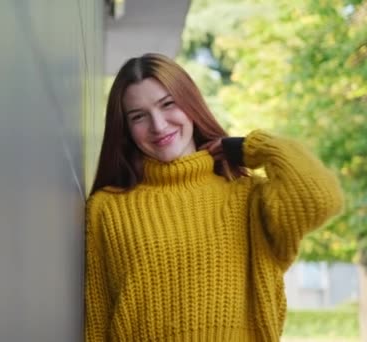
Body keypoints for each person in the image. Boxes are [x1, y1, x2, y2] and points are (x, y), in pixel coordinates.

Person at [84, 53, 344, 341]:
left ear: (191, 105)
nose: (158, 125)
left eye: (168, 104)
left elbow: (320, 197)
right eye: (138, 116)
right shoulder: (107, 208)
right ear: (126, 131)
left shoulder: (248, 199)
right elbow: (98, 320)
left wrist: (254, 147)